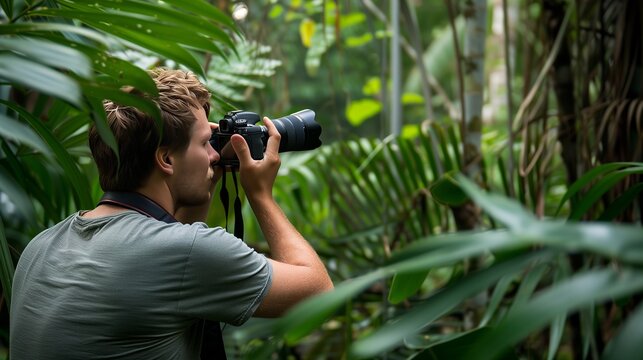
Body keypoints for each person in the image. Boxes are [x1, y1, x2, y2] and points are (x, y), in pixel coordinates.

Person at [9, 68, 333, 359]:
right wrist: (261, 195)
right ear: (165, 159)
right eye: (206, 143)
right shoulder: (184, 253)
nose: (214, 156)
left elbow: (173, 247)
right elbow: (318, 293)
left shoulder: (42, 246)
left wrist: (205, 174)